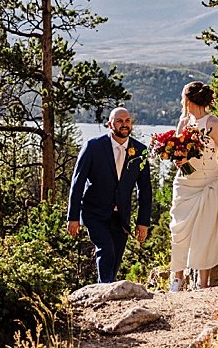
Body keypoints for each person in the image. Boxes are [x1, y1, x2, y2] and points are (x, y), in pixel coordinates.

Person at [66, 107, 154, 284]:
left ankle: (106, 290)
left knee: (116, 257)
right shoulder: (93, 147)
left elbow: (145, 189)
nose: (124, 124)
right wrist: (73, 217)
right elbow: (77, 182)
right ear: (110, 124)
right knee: (106, 250)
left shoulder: (140, 151)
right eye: (119, 121)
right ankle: (105, 289)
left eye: (127, 121)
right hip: (94, 212)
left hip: (121, 216)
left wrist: (143, 222)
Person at [169, 80, 218, 291]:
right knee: (178, 231)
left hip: (207, 183)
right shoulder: (183, 123)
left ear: (187, 99)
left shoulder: (212, 123)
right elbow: (177, 153)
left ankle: (202, 283)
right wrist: (179, 160)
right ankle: (177, 279)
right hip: (184, 184)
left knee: (203, 232)